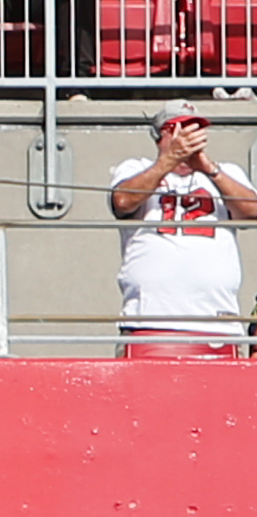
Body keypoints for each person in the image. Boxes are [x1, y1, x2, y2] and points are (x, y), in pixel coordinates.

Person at [108, 97, 257, 337]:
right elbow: (123, 201)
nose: (191, 136)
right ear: (163, 135)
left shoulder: (226, 172)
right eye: (181, 129)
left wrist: (209, 169)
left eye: (196, 129)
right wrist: (169, 160)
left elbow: (251, 211)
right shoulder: (136, 168)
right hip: (149, 320)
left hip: (218, 321)